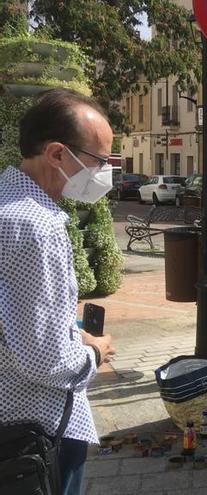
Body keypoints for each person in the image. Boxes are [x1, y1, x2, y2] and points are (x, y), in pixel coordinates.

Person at [0, 88, 116, 495]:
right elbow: (44, 360)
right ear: (56, 154)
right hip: (33, 432)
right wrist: (94, 351)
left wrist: (70, 332)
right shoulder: (38, 225)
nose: (105, 172)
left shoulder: (6, 205)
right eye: (100, 160)